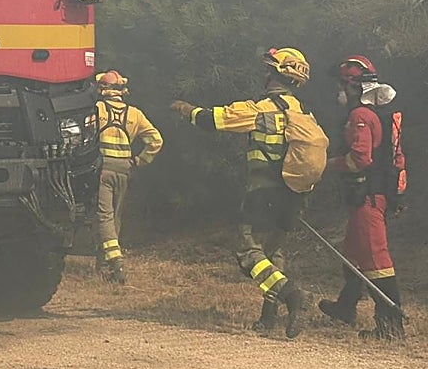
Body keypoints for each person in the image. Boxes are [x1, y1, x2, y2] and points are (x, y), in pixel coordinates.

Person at [171, 47, 312, 339]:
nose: (264, 74)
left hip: (263, 194)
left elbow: (213, 120)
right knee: (273, 252)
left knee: (248, 252)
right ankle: (268, 317)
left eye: (268, 69)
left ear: (277, 74)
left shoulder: (261, 109)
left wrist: (185, 109)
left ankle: (293, 296)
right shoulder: (303, 112)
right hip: (294, 195)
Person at [318, 55, 406, 340]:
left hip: (367, 197)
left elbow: (360, 159)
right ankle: (345, 307)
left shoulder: (360, 116)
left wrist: (324, 165)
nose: (338, 93)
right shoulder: (381, 112)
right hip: (372, 196)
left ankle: (391, 326)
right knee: (354, 256)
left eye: (342, 86)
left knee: (376, 261)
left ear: (353, 86)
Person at [89, 70, 163, 284]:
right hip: (124, 170)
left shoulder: (97, 109)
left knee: (104, 216)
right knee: (116, 217)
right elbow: (156, 140)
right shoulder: (135, 114)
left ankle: (116, 262)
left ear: (103, 89)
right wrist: (139, 161)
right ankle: (104, 265)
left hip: (103, 169)